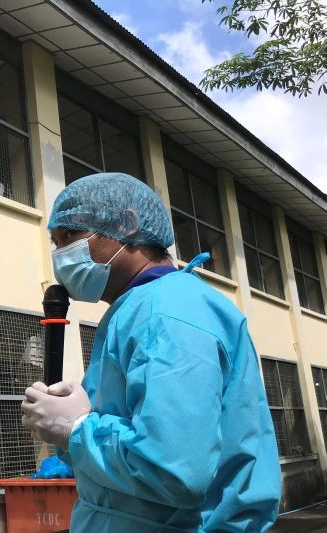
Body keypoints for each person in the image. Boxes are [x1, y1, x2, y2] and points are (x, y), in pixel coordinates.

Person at [21, 172, 281, 532]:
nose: (60, 255)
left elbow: (174, 468)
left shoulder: (169, 313)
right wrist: (70, 426)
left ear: (128, 224)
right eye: (55, 242)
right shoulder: (139, 309)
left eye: (70, 236)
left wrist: (77, 427)